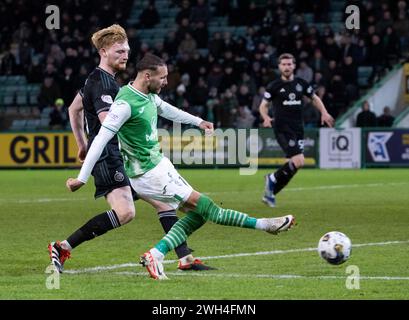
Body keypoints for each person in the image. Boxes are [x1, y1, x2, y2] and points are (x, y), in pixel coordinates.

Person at [66, 53, 296, 280]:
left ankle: (155, 254)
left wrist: (198, 122)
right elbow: (101, 139)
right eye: (162, 77)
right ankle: (266, 225)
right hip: (148, 174)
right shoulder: (125, 103)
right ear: (147, 76)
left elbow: (167, 109)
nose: (166, 82)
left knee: (198, 215)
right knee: (208, 208)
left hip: (159, 166)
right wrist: (82, 178)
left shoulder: (147, 96)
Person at [48, 25, 211, 274]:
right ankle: (62, 247)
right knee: (125, 213)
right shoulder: (103, 84)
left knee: (165, 204)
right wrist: (89, 150)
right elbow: (107, 126)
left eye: (127, 50)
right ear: (103, 52)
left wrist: (82, 143)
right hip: (110, 158)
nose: (126, 55)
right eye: (120, 50)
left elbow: (74, 109)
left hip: (124, 157)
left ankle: (185, 258)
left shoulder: (100, 79)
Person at [259, 53, 334, 207]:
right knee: (299, 160)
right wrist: (265, 117)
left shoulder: (302, 84)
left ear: (294, 66)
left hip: (298, 128)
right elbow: (263, 105)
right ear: (279, 67)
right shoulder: (274, 86)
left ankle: (270, 194)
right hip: (282, 128)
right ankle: (271, 179)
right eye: (284, 64)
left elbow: (314, 98)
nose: (287, 67)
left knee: (294, 166)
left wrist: (324, 112)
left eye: (289, 64)